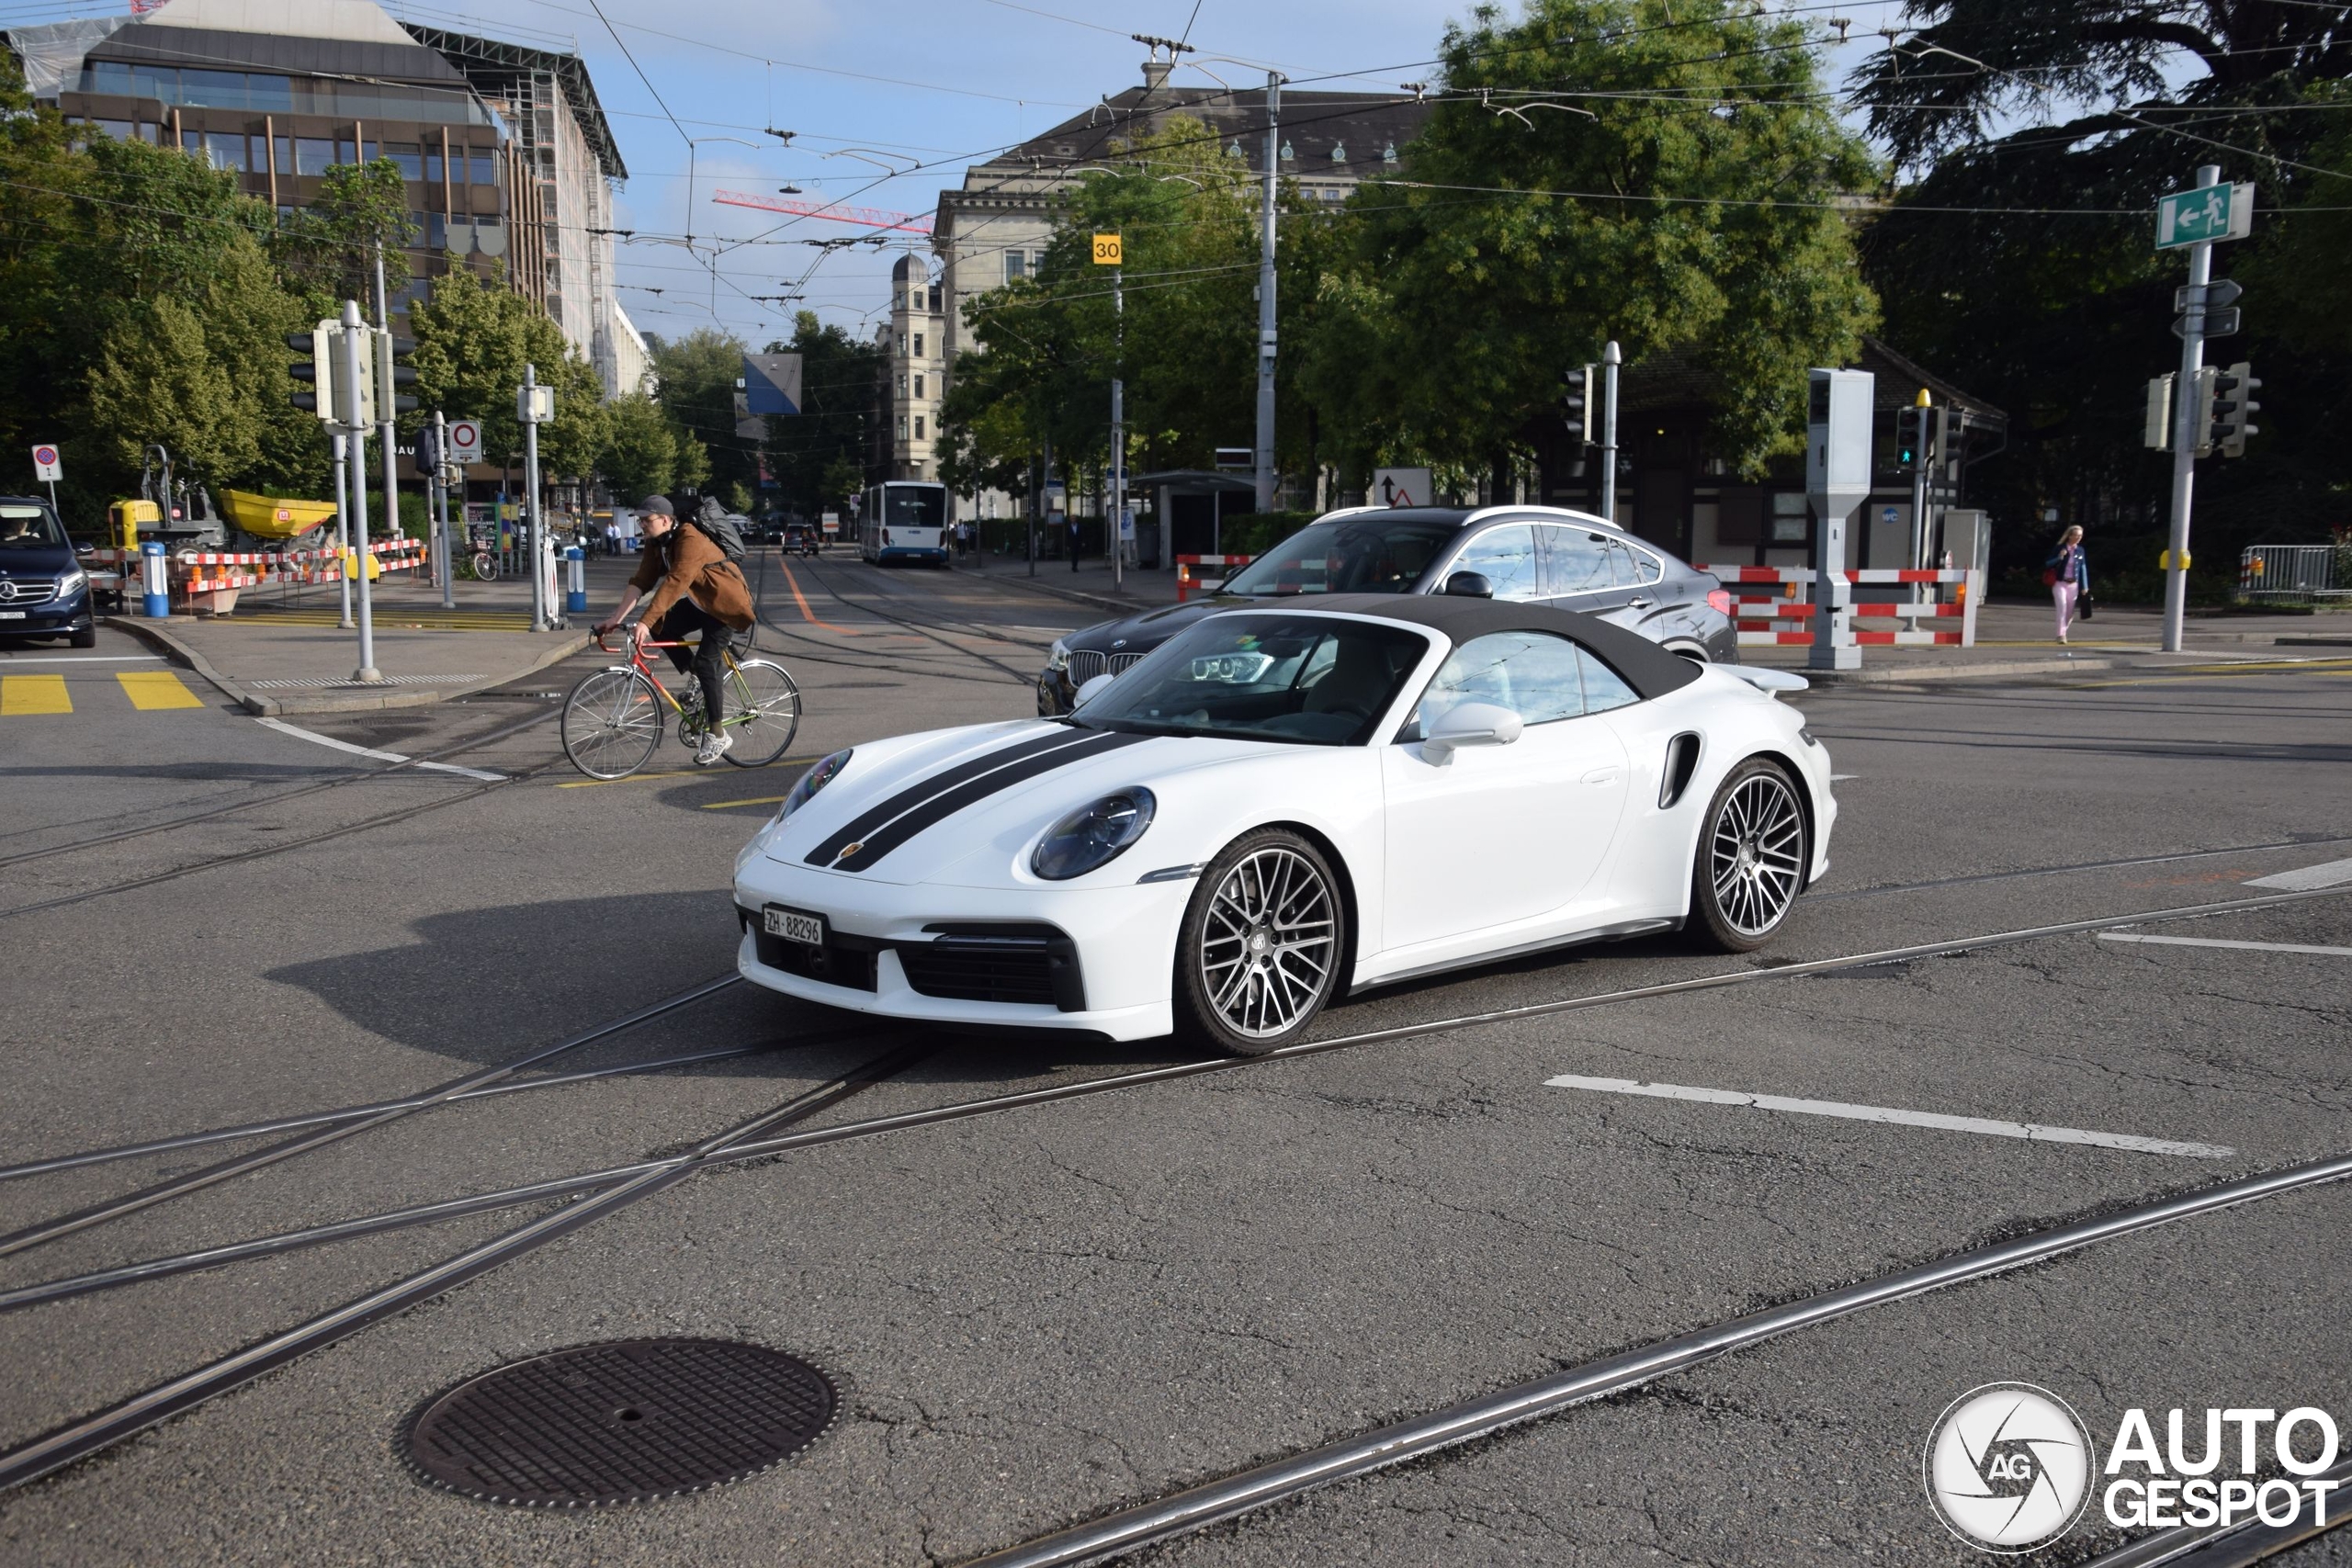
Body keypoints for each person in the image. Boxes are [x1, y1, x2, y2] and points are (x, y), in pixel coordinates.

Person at [595, 494, 755, 764]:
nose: (643, 525)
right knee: (660, 626)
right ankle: (696, 677)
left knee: (707, 663)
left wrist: (644, 621)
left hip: (727, 606)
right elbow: (642, 581)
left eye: (648, 520)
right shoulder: (656, 543)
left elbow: (676, 582)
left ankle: (717, 734)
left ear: (666, 520)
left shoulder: (690, 537)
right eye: (641, 521)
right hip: (701, 602)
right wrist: (615, 617)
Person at [2044, 525, 2090, 645]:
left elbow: (2083, 567)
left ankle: (2063, 631)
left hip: (2073, 584)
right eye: (2076, 535)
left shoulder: (2080, 550)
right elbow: (2048, 564)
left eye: (2081, 535)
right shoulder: (2060, 548)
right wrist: (2060, 557)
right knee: (2062, 607)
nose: (2079, 537)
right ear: (2070, 536)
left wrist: (2085, 585)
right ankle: (2061, 635)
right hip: (2060, 583)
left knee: (2070, 612)